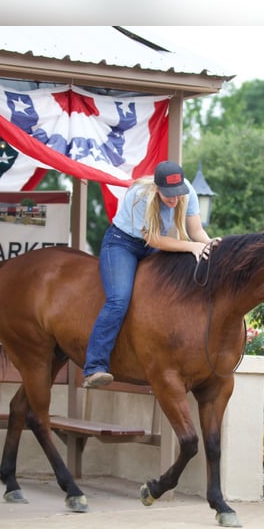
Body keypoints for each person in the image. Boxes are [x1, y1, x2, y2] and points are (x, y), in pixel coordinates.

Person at [82, 160, 219, 388]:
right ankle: (94, 366)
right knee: (119, 300)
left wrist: (210, 244)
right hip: (122, 244)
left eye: (178, 194)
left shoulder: (188, 192)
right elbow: (154, 239)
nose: (174, 200)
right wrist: (190, 247)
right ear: (157, 189)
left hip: (153, 245)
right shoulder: (140, 195)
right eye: (168, 196)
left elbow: (196, 231)